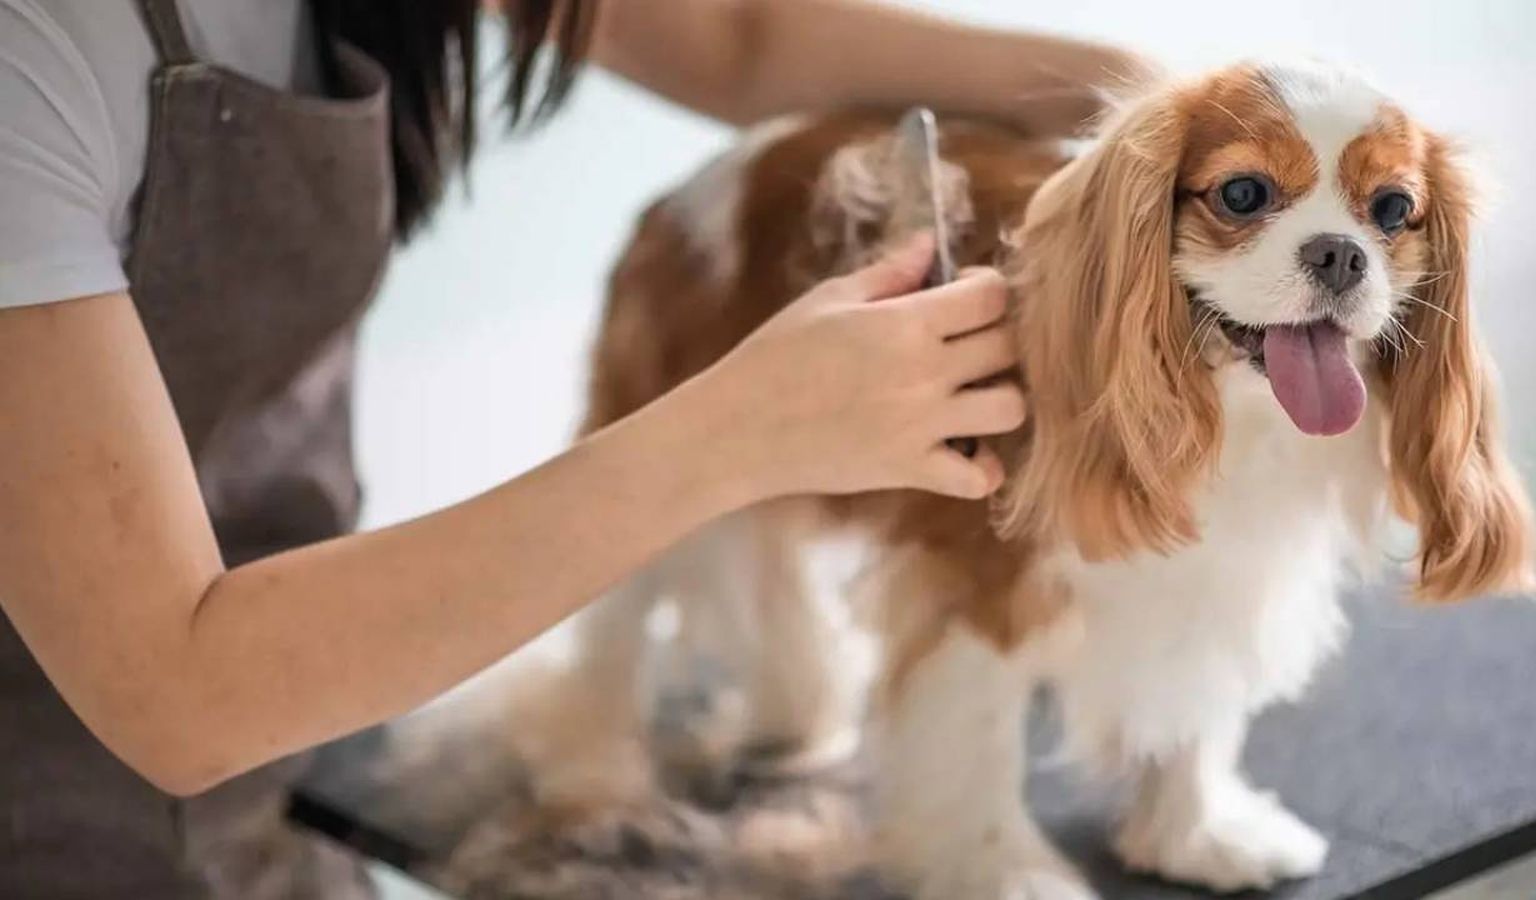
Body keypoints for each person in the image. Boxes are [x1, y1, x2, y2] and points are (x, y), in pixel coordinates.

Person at [0, 0, 1145, 895]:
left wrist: (1155, 116)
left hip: (288, 787)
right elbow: (179, 693)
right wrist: (737, 431)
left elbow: (737, 41)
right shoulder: (30, 63)